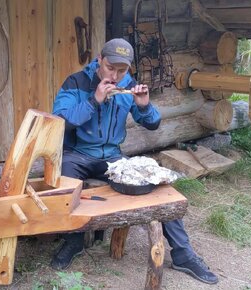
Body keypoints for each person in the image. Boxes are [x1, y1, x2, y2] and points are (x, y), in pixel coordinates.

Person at [50, 38, 218, 284]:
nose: (116, 76)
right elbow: (60, 121)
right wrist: (94, 100)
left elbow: (153, 123)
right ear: (99, 60)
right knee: (64, 179)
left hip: (112, 157)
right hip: (78, 154)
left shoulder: (128, 85)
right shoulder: (76, 82)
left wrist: (145, 106)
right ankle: (74, 241)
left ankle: (183, 254)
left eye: (122, 70)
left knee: (155, 185)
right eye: (110, 68)